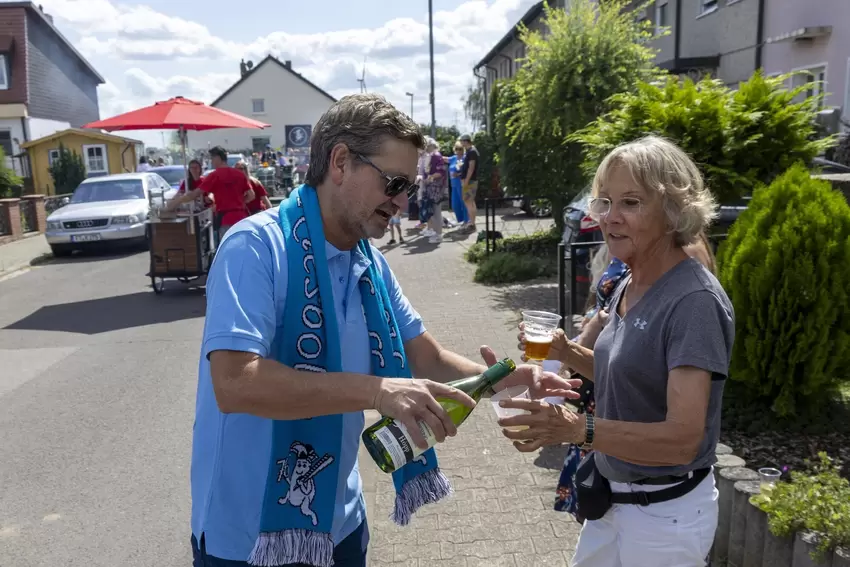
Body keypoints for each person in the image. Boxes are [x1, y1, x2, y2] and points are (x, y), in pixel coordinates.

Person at [188, 93, 564, 567]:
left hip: (339, 523)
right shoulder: (255, 248)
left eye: (409, 184)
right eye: (395, 182)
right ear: (341, 162)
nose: (405, 201)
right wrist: (378, 391)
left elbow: (424, 357)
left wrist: (510, 379)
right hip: (247, 539)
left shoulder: (370, 263)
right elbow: (236, 384)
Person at [496, 135, 735, 567]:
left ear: (673, 209)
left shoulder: (693, 301)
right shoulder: (630, 280)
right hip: (611, 500)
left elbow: (683, 440)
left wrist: (577, 429)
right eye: (604, 202)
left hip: (664, 516)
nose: (611, 218)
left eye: (630, 202)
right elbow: (630, 373)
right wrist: (565, 351)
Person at [165, 146, 255, 240]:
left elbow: (194, 194)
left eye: (212, 158)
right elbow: (251, 195)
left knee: (228, 251)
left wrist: (177, 201)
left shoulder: (214, 175)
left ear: (218, 158)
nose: (211, 161)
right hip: (242, 218)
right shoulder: (239, 174)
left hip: (225, 220)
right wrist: (239, 203)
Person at [422, 138, 447, 244]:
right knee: (433, 211)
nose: (425, 148)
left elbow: (440, 172)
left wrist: (429, 178)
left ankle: (438, 234)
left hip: (436, 188)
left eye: (426, 145)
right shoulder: (432, 156)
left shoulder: (436, 156)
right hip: (432, 187)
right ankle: (437, 233)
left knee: (436, 211)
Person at [458, 134, 479, 234]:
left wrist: (466, 181)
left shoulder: (472, 152)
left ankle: (472, 224)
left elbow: (471, 168)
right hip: (470, 180)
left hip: (470, 181)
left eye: (462, 141)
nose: (461, 143)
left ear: (466, 141)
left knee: (468, 202)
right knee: (470, 202)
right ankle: (472, 223)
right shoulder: (470, 152)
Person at [448, 141, 468, 225]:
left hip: (461, 184)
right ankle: (461, 220)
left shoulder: (464, 158)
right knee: (455, 205)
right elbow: (442, 158)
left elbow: (467, 171)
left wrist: (458, 174)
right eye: (456, 149)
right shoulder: (453, 158)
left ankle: (467, 221)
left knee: (464, 203)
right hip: (454, 185)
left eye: (460, 149)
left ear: (463, 149)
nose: (458, 151)